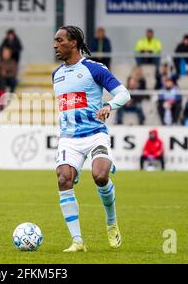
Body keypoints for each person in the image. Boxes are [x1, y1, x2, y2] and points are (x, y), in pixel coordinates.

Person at [52, 25, 130, 252]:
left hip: (95, 135)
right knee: (63, 178)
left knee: (100, 175)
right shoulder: (56, 74)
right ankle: (77, 241)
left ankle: (111, 221)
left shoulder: (94, 69)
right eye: (55, 40)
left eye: (60, 40)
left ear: (73, 42)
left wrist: (109, 105)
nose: (55, 45)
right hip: (69, 138)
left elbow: (124, 94)